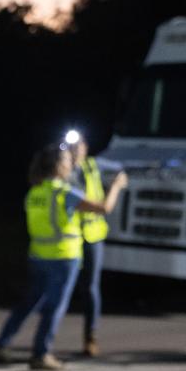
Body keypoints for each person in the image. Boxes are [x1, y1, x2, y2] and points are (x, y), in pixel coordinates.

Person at [0, 143, 125, 371]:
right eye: (66, 161)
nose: (70, 164)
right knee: (55, 306)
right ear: (57, 166)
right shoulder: (66, 193)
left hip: (39, 256)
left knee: (31, 301)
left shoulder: (34, 193)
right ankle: (41, 353)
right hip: (64, 257)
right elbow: (104, 208)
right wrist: (117, 187)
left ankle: (2, 341)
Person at [66, 129, 111, 357]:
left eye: (79, 145)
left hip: (92, 236)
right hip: (71, 238)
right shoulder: (63, 170)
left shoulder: (94, 166)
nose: (76, 150)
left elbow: (120, 171)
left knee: (91, 288)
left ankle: (90, 337)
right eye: (71, 146)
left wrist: (116, 186)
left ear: (85, 146)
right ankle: (44, 341)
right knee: (63, 289)